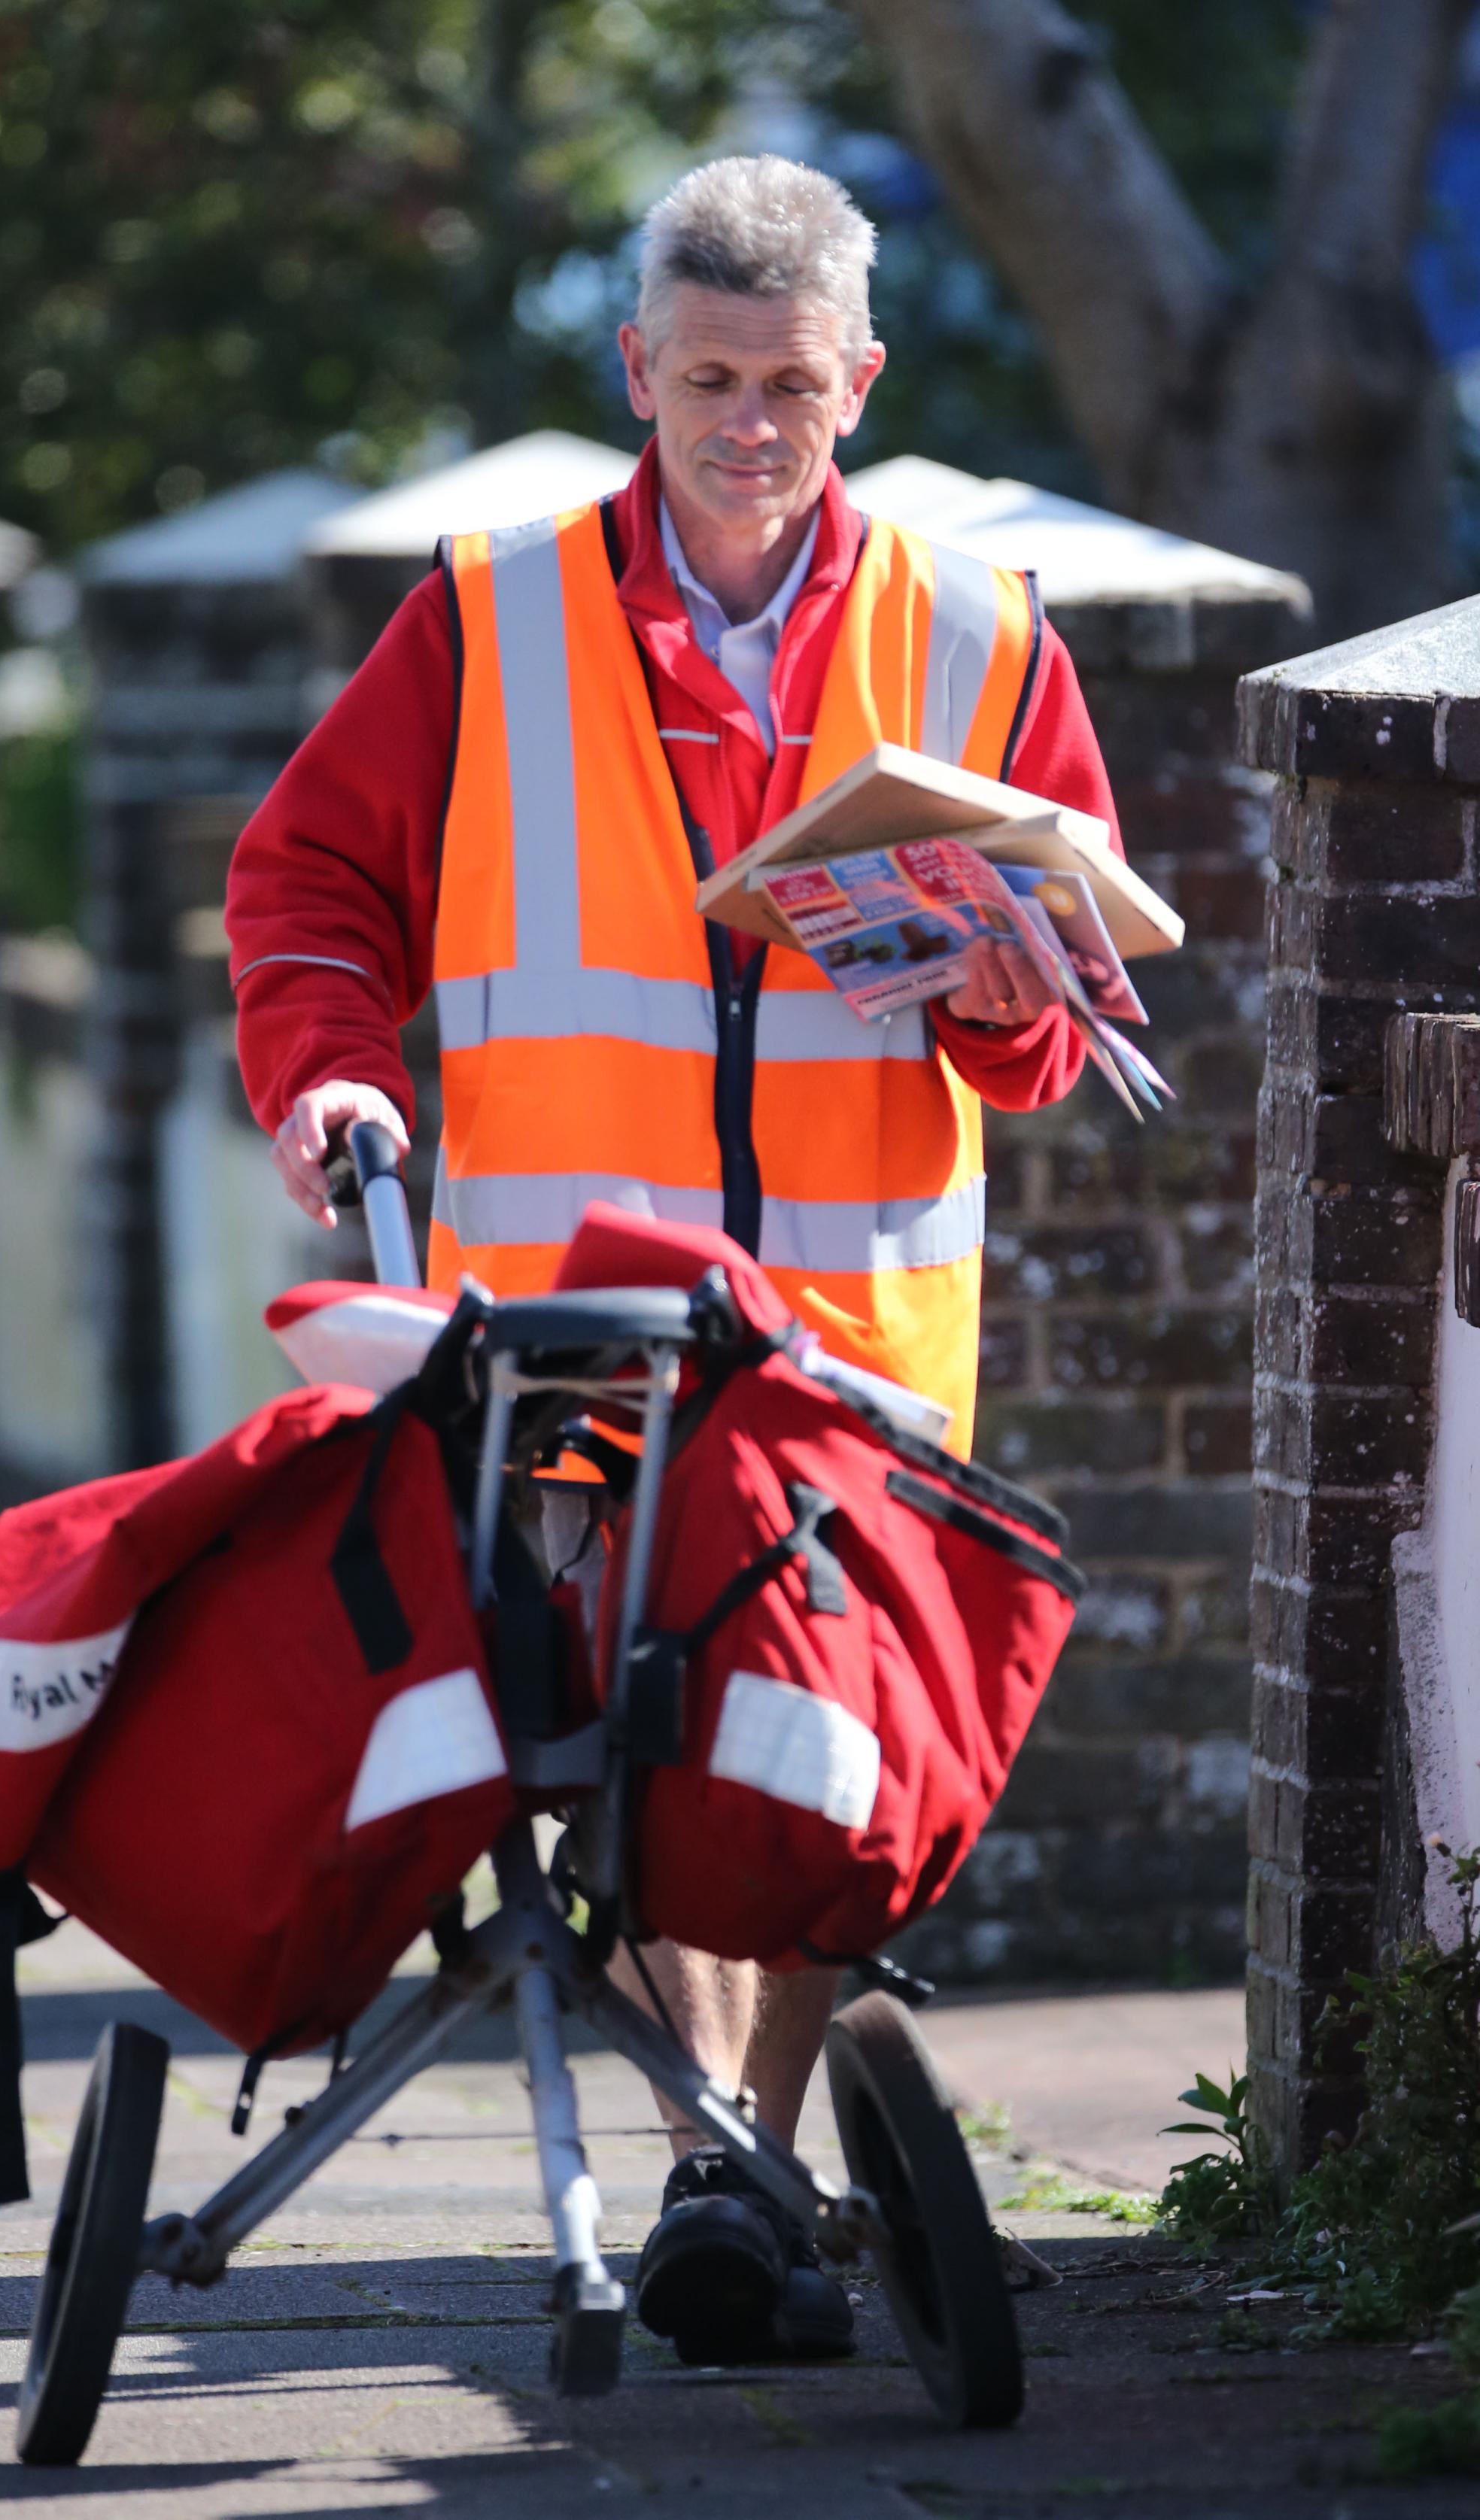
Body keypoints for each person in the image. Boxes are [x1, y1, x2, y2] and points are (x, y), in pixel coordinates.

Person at [227, 153, 1124, 2368]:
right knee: (619, 1746)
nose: (748, 422)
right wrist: (332, 1077)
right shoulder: (485, 610)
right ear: (638, 369)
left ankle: (750, 2161)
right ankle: (738, 2160)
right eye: (708, 377)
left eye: (793, 387)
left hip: (858, 1313)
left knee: (830, 1762)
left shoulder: (983, 630)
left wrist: (1009, 969)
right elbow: (310, 886)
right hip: (572, 1313)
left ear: (864, 381)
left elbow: (1051, 1030)